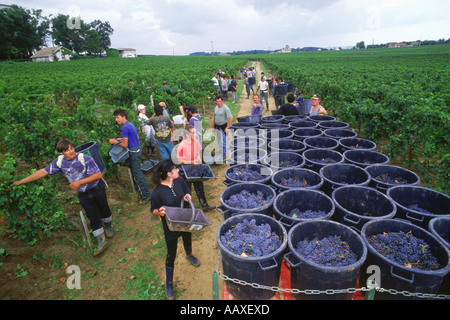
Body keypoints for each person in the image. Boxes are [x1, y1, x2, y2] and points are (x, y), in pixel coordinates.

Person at [12, 139, 113, 256]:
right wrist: (20, 182)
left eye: (71, 148)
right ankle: (101, 241)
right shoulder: (60, 163)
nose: (71, 151)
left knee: (104, 208)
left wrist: (79, 182)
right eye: (67, 150)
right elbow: (42, 172)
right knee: (92, 215)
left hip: (96, 188)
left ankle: (108, 227)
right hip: (83, 193)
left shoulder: (84, 158)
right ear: (61, 153)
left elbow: (98, 175)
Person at [150, 158, 200, 300]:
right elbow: (153, 210)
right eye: (175, 169)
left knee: (187, 237)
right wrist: (159, 212)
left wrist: (187, 196)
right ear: (168, 173)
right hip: (170, 226)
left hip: (184, 219)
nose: (178, 170)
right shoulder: (157, 192)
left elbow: (186, 190)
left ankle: (189, 255)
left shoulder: (179, 181)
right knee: (171, 252)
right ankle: (169, 283)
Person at [109, 109, 152, 204]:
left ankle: (146, 195)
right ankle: (139, 189)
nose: (116, 119)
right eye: (115, 118)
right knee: (135, 171)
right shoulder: (130, 124)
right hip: (137, 148)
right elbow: (135, 136)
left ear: (123, 116)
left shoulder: (124, 128)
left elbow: (124, 145)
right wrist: (121, 139)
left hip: (134, 152)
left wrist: (114, 142)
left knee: (137, 174)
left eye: (117, 117)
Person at [176, 125, 215, 211]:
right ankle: (187, 209)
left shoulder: (196, 142)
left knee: (200, 187)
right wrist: (191, 162)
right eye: (193, 133)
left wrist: (198, 160)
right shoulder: (181, 146)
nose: (195, 134)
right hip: (185, 170)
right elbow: (179, 160)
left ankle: (204, 205)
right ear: (187, 134)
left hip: (195, 168)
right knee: (186, 190)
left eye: (195, 132)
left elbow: (198, 153)